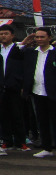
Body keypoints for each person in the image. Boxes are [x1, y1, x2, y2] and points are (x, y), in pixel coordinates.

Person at [0, 24, 31, 151]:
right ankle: (7, 141)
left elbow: (24, 69)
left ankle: (21, 141)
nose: (3, 36)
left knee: (17, 115)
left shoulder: (18, 49)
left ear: (12, 35)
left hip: (14, 87)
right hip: (0, 87)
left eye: (6, 34)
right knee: (3, 116)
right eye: (1, 34)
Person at [27, 27, 55, 158]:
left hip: (53, 93)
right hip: (38, 92)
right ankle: (47, 148)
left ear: (49, 37)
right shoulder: (32, 53)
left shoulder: (54, 53)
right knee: (42, 121)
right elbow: (15, 52)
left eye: (42, 37)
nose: (39, 39)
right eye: (37, 37)